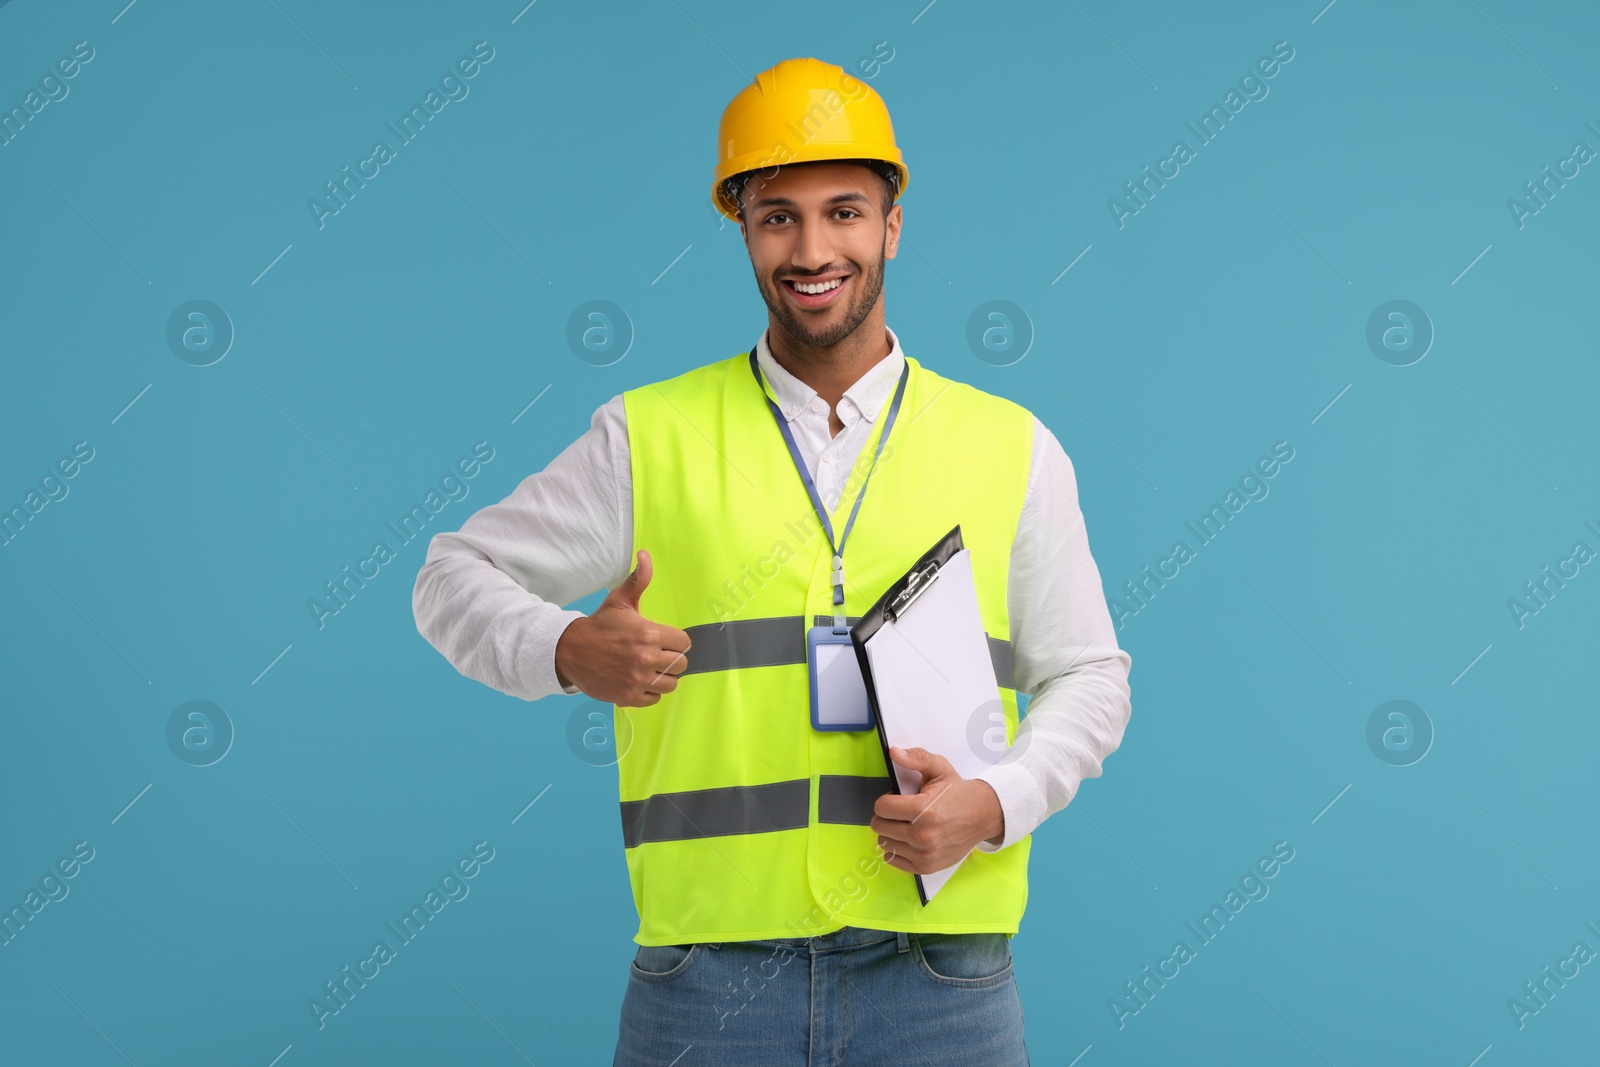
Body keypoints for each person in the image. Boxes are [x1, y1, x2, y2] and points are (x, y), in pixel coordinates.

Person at [411, 55, 1132, 1067]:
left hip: (940, 973)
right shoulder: (647, 436)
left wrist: (997, 802)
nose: (810, 247)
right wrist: (566, 645)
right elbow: (450, 574)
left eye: (843, 210)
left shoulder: (1010, 446)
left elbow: (1090, 677)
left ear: (891, 223)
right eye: (776, 215)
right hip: (704, 976)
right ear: (742, 230)